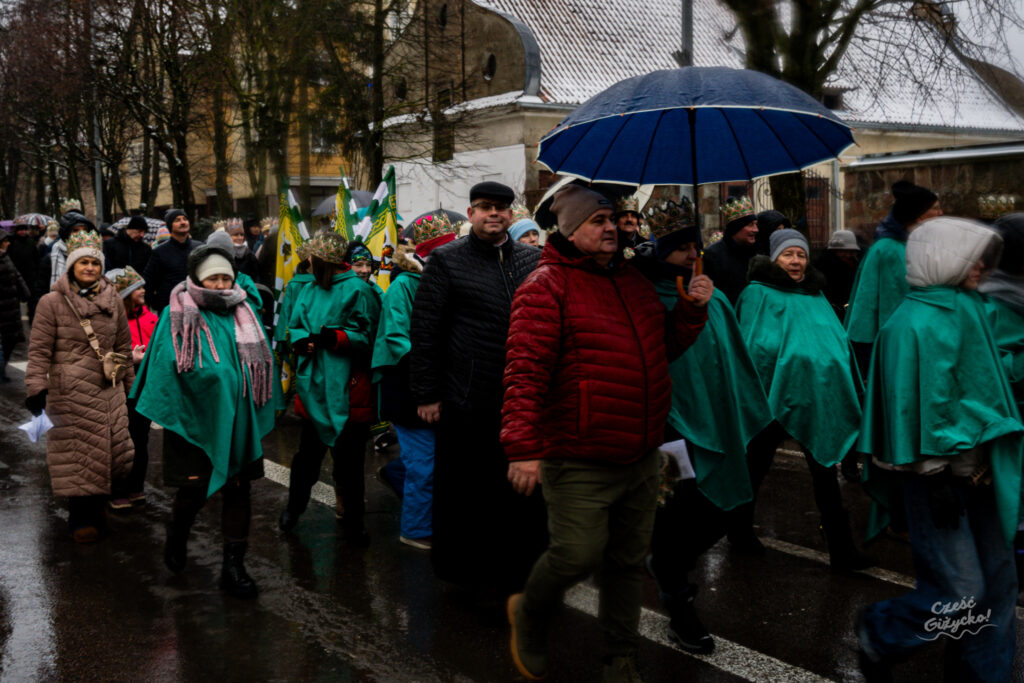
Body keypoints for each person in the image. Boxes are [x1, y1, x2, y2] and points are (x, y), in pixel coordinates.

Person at [503, 185, 712, 680]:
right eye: (597, 221)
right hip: (578, 454)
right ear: (570, 230)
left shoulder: (634, 282)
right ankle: (529, 613)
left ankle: (621, 659)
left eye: (613, 220)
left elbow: (661, 351)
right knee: (575, 555)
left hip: (640, 454)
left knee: (625, 565)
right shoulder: (546, 285)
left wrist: (691, 311)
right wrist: (523, 448)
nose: (611, 228)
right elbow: (524, 371)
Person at [856, 217, 1020, 681]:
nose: (984, 267)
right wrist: (933, 473)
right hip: (936, 481)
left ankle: (984, 676)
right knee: (961, 590)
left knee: (1000, 585)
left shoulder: (969, 306)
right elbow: (908, 409)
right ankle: (881, 632)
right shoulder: (910, 322)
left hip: (980, 474)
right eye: (975, 257)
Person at [631, 199, 771, 655]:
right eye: (682, 248)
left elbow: (731, 364)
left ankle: (666, 564)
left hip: (714, 423)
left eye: (696, 245)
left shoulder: (716, 297)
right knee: (675, 511)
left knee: (719, 511)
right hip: (666, 429)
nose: (694, 255)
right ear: (661, 248)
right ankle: (679, 604)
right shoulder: (640, 296)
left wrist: (745, 413)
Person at [409, 180, 545, 594]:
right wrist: (427, 393)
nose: (495, 214)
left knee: (518, 491)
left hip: (522, 394)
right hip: (467, 395)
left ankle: (520, 573)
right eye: (486, 206)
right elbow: (426, 330)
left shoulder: (531, 259)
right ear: (470, 213)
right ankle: (465, 573)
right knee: (468, 491)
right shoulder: (447, 261)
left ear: (511, 215)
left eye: (502, 208)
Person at [132, 243, 278, 597]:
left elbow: (263, 364)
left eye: (225, 277)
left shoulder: (245, 311)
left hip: (238, 419)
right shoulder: (176, 312)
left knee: (239, 490)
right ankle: (177, 534)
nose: (219, 284)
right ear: (198, 277)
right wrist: (213, 383)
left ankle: (234, 567)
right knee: (193, 491)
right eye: (212, 277)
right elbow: (166, 370)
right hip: (194, 420)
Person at [731, 229, 875, 571]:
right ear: (774, 257)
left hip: (816, 397)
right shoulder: (758, 294)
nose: (795, 262)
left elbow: (835, 340)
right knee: (755, 466)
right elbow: (753, 345)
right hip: (772, 398)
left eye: (801, 255)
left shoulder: (814, 294)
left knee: (825, 473)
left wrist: (831, 367)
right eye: (788, 255)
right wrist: (792, 362)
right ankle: (738, 530)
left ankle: (842, 549)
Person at [25, 230, 134, 542]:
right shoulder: (51, 303)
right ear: (71, 266)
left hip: (108, 389)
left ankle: (98, 503)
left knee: (114, 454)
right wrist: (36, 388)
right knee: (78, 455)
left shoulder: (113, 299)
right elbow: (39, 351)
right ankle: (79, 516)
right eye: (83, 262)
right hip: (69, 393)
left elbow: (124, 347)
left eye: (95, 263)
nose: (90, 268)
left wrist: (132, 387)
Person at [278, 231, 381, 545]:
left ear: (325, 261)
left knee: (349, 464)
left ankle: (354, 522)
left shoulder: (360, 291)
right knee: (306, 459)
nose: (307, 261)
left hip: (350, 389)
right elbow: (294, 326)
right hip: (315, 388)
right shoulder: (308, 288)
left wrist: (336, 338)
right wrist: (303, 343)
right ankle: (293, 509)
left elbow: (371, 335)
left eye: (312, 257)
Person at [372, 214, 457, 550]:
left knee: (435, 457)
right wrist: (430, 373)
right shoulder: (403, 287)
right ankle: (416, 531)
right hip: (408, 387)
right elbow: (396, 339)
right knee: (425, 465)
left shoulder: (447, 283)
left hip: (440, 384)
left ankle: (396, 473)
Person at [845, 181, 941, 374]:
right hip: (885, 345)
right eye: (936, 208)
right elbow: (892, 305)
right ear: (920, 215)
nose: (940, 213)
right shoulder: (890, 250)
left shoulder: (902, 244)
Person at [105, 266, 158, 509]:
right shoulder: (110, 321)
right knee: (119, 440)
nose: (144, 291)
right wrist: (130, 359)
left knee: (140, 438)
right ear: (124, 293)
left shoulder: (151, 318)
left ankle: (136, 486)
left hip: (144, 387)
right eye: (138, 288)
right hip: (117, 386)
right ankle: (117, 490)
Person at [143, 208, 202, 313]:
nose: (183, 222)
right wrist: (156, 304)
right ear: (170, 226)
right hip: (170, 308)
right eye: (177, 220)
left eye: (184, 219)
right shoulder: (160, 252)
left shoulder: (200, 248)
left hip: (198, 305)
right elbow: (149, 283)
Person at [702, 196, 759, 304]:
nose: (756, 230)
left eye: (756, 224)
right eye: (750, 225)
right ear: (736, 227)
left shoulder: (756, 252)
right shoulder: (712, 255)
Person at [39, 209, 96, 293]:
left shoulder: (95, 256)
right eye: (75, 230)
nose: (81, 234)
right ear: (67, 233)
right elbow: (40, 290)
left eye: (84, 230)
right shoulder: (50, 259)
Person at [0, 231, 31, 381]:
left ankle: (2, 370)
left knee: (9, 341)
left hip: (11, 307)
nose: (8, 243)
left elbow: (16, 275)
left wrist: (25, 292)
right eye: (5, 241)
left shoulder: (5, 256)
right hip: (4, 308)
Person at [816, 229, 862, 322]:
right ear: (834, 251)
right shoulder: (823, 267)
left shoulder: (857, 265)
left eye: (851, 251)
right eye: (844, 251)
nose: (848, 255)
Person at [8, 223, 39, 321]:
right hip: (15, 276)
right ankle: (15, 318)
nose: (23, 232)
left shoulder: (31, 242)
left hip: (30, 276)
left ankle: (32, 316)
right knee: (15, 299)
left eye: (25, 230)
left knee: (31, 298)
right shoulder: (11, 242)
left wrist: (36, 272)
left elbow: (36, 258)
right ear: (17, 231)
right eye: (21, 230)